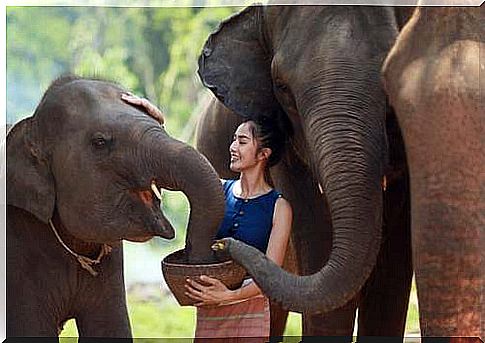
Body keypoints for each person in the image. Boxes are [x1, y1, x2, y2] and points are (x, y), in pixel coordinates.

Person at [121, 94, 292, 342]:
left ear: (263, 154)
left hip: (250, 312)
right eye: (234, 140)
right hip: (209, 306)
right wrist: (155, 121)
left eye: (242, 142)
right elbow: (177, 165)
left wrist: (228, 296)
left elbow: (271, 276)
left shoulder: (279, 207)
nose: (233, 147)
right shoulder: (217, 191)